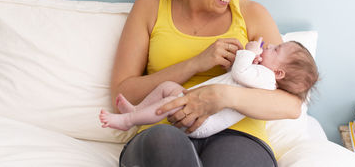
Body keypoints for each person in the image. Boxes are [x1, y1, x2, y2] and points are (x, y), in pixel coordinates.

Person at [111, 0, 304, 167]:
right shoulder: (150, 8)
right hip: (163, 130)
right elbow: (123, 94)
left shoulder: (253, 14)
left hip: (239, 136)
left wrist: (221, 97)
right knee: (164, 144)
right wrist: (195, 64)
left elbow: (291, 105)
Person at [100, 39, 318, 138]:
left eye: (276, 49)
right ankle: (136, 111)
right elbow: (239, 75)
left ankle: (128, 121)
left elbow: (240, 74)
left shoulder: (266, 78)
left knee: (169, 101)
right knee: (167, 88)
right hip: (194, 108)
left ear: (279, 73)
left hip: (203, 121)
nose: (269, 45)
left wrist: (249, 52)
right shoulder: (262, 75)